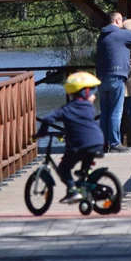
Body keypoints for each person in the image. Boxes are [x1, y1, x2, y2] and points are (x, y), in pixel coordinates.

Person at [35, 71, 105, 203]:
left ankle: (72, 190)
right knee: (83, 170)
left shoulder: (66, 109)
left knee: (64, 168)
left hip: (81, 146)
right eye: (93, 94)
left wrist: (41, 133)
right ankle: (86, 186)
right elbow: (80, 125)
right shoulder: (89, 109)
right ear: (85, 94)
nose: (94, 97)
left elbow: (47, 119)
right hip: (98, 143)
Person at [95, 11, 131, 152]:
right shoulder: (122, 34)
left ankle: (103, 144)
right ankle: (115, 144)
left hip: (101, 78)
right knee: (116, 112)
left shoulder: (101, 37)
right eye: (121, 21)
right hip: (117, 76)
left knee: (105, 112)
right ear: (116, 21)